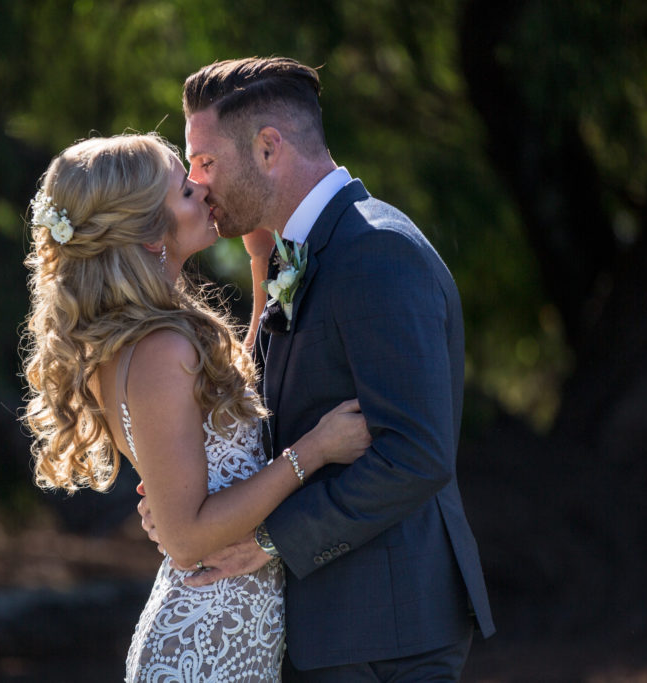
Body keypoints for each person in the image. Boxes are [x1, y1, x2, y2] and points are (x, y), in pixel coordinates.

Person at [140, 57, 496, 680]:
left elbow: (415, 453)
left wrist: (270, 540)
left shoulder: (377, 251)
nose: (197, 183)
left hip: (385, 634)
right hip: (334, 630)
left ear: (268, 148)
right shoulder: (298, 251)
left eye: (206, 161)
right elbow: (274, 411)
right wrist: (189, 499)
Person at [21, 133, 371, 682]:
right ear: (149, 234)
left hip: (224, 636)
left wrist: (260, 262)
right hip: (204, 651)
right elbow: (186, 539)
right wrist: (314, 451)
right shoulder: (160, 350)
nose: (204, 190)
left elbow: (230, 404)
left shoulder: (145, 338)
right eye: (186, 190)